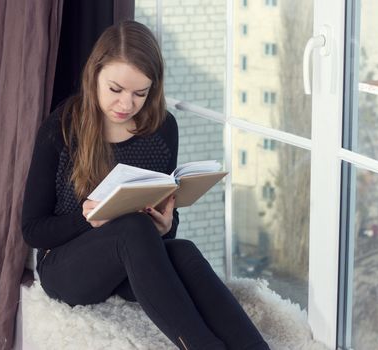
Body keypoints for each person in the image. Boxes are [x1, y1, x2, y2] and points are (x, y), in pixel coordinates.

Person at [22, 20, 270, 350]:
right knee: (132, 228)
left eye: (140, 93)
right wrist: (85, 218)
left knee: (183, 251)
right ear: (94, 73)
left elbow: (162, 221)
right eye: (115, 89)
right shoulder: (64, 127)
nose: (126, 104)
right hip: (65, 267)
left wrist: (166, 225)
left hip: (129, 260)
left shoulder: (163, 129)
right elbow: (33, 230)